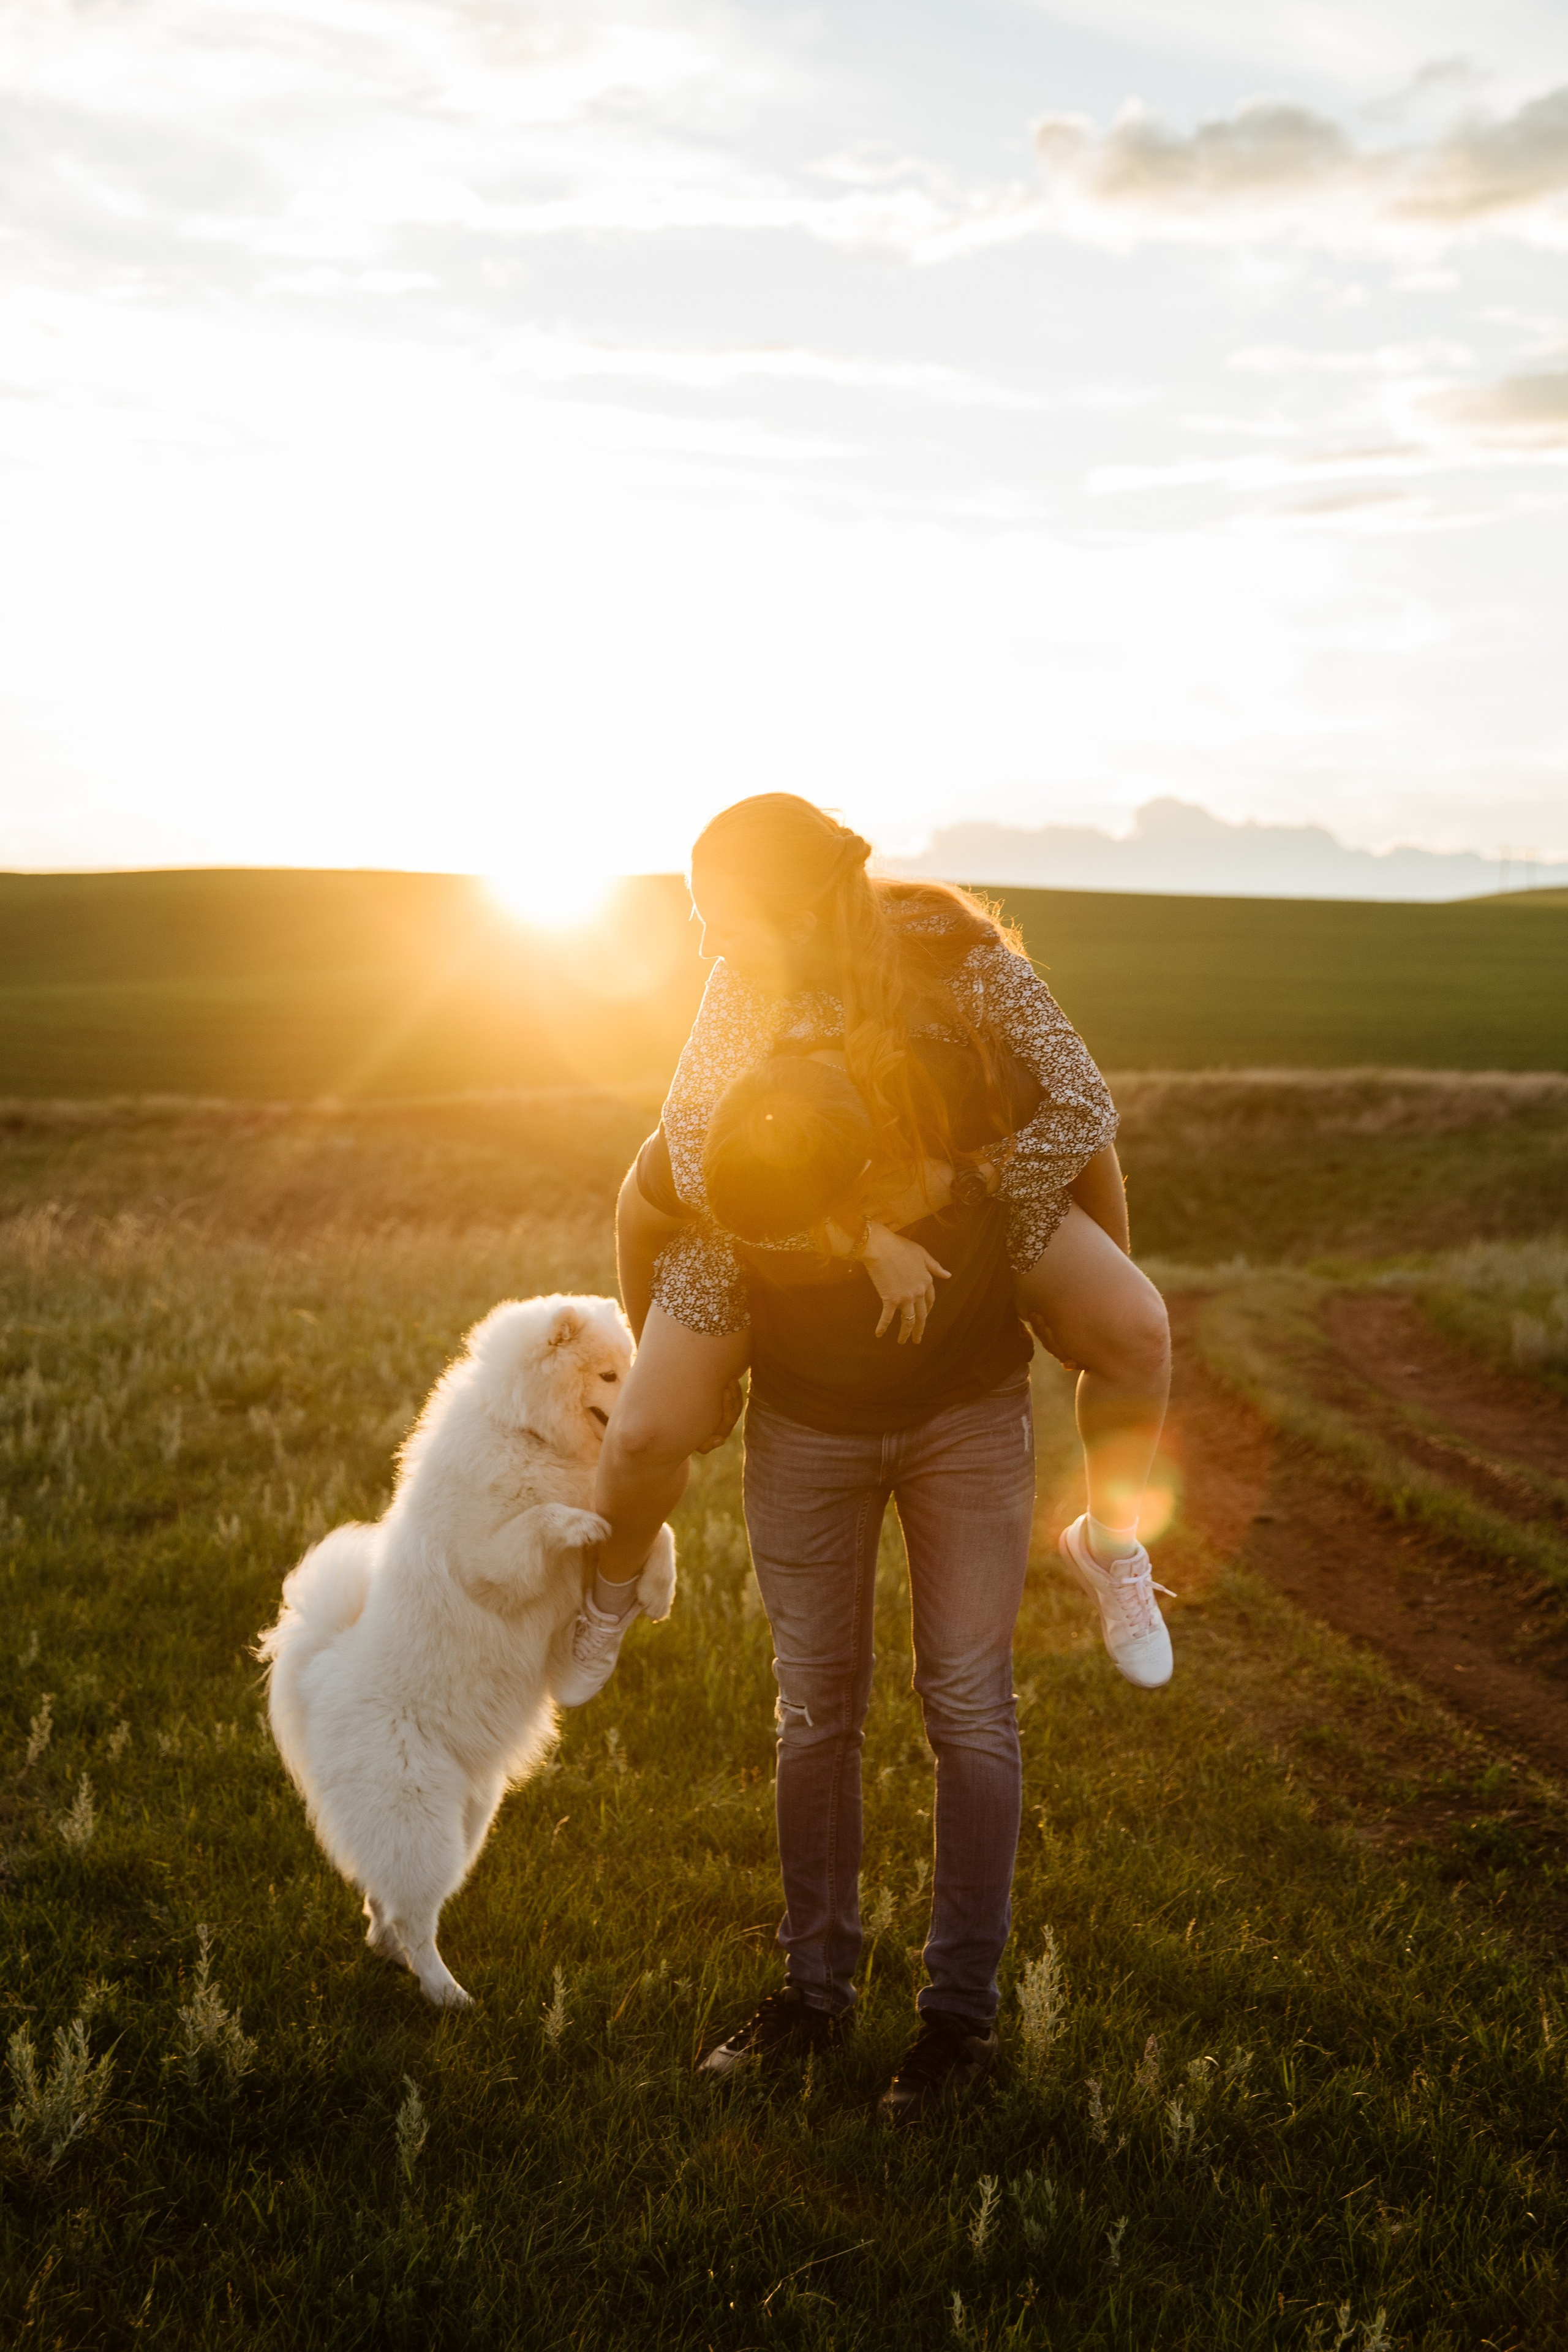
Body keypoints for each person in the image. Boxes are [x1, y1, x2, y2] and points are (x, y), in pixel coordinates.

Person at [565, 795, 1171, 2122]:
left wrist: (946, 1187)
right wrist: (854, 1229)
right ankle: (810, 1995)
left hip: (959, 1391)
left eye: (713, 897)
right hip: (800, 1380)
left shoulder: (954, 964)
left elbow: (1081, 1111)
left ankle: (957, 2025)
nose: (694, 924)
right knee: (812, 1709)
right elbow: (686, 1162)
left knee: (969, 1706)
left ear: (790, 899)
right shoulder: (736, 989)